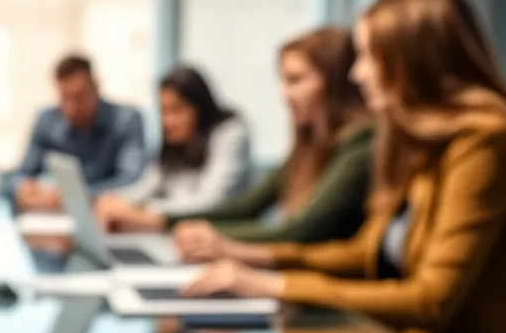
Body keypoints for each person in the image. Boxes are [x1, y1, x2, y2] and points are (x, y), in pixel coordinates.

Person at [182, 0, 506, 333]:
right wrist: (253, 261)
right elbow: (364, 254)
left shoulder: (485, 142)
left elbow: (430, 301)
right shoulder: (418, 143)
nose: (356, 75)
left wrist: (271, 286)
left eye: (368, 56)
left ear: (411, 61)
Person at [97, 28, 373, 250]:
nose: (284, 95)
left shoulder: (359, 145)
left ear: (336, 82)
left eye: (296, 80)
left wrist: (214, 240)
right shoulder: (308, 147)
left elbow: (300, 230)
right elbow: (250, 205)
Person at [101, 65, 250, 221]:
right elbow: (145, 187)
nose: (167, 121)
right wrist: (117, 201)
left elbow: (212, 201)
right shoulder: (174, 144)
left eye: (176, 110)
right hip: (174, 231)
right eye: (163, 111)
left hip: (218, 233)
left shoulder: (231, 134)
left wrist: (146, 212)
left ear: (200, 108)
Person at [13, 54, 146, 211]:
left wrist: (76, 196)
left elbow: (131, 179)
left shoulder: (126, 119)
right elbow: (22, 174)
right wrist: (24, 189)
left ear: (96, 87)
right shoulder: (46, 120)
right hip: (53, 213)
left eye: (79, 97)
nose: (71, 107)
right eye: (65, 98)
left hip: (104, 214)